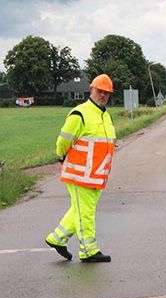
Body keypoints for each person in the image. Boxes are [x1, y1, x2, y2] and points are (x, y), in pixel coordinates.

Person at [45, 74, 117, 263]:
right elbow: (63, 142)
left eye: (106, 93)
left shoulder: (105, 115)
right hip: (80, 175)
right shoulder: (80, 113)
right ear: (91, 90)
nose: (102, 95)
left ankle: (56, 239)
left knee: (79, 210)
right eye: (99, 91)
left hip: (96, 176)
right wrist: (61, 157)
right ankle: (89, 250)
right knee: (85, 213)